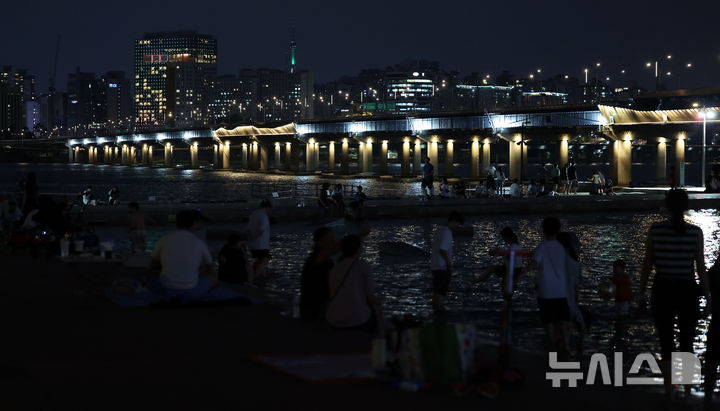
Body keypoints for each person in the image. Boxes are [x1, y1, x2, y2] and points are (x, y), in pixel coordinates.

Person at [639, 189, 709, 400]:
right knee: (687, 341)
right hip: (688, 290)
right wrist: (708, 296)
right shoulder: (695, 233)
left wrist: (641, 293)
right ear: (686, 206)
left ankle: (669, 390)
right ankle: (687, 391)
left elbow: (647, 264)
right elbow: (701, 268)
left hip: (663, 289)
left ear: (667, 206)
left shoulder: (655, 230)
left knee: (666, 340)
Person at [525, 217, 569, 356]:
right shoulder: (561, 247)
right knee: (562, 319)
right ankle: (566, 345)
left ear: (543, 231)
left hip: (546, 290)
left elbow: (534, 263)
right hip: (561, 290)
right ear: (558, 230)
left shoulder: (542, 246)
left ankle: (553, 343)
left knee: (548, 319)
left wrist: (520, 275)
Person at [148, 210, 215, 294]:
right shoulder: (199, 243)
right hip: (190, 289)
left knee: (151, 279)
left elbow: (151, 265)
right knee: (210, 279)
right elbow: (210, 269)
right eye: (201, 221)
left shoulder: (165, 239)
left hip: (167, 287)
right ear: (195, 223)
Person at [326, 234, 383, 332]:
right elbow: (370, 298)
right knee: (379, 312)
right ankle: (380, 343)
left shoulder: (334, 269)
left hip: (333, 319)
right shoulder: (363, 266)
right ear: (358, 249)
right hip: (357, 320)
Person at [300, 227, 338, 322]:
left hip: (314, 307)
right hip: (316, 309)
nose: (334, 241)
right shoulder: (317, 260)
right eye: (330, 238)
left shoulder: (323, 260)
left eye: (333, 237)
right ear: (319, 243)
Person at [430, 211, 464, 314]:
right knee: (441, 294)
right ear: (454, 221)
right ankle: (441, 316)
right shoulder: (448, 232)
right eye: (458, 224)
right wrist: (449, 264)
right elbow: (443, 250)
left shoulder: (439, 230)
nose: (458, 226)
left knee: (436, 292)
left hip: (434, 266)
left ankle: (435, 314)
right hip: (442, 267)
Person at [558, 231, 585, 355]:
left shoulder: (552, 262)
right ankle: (577, 348)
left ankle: (562, 347)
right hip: (569, 302)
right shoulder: (575, 264)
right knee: (580, 326)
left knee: (560, 327)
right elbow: (576, 287)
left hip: (555, 301)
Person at [248, 199, 272, 279]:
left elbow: (249, 229)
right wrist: (254, 237)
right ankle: (254, 277)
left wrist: (251, 239)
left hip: (253, 244)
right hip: (262, 244)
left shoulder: (253, 214)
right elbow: (261, 230)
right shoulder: (263, 216)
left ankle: (262, 277)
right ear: (267, 207)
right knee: (265, 260)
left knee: (259, 261)